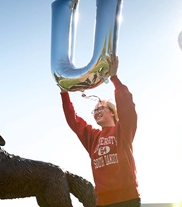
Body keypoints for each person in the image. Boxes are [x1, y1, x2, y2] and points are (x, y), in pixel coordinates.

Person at [60, 55, 140, 207]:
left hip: (128, 199)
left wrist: (114, 78)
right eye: (94, 111)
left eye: (100, 108)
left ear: (112, 112)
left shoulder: (123, 131)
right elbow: (73, 120)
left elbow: (127, 107)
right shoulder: (92, 137)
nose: (96, 112)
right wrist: (64, 93)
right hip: (103, 202)